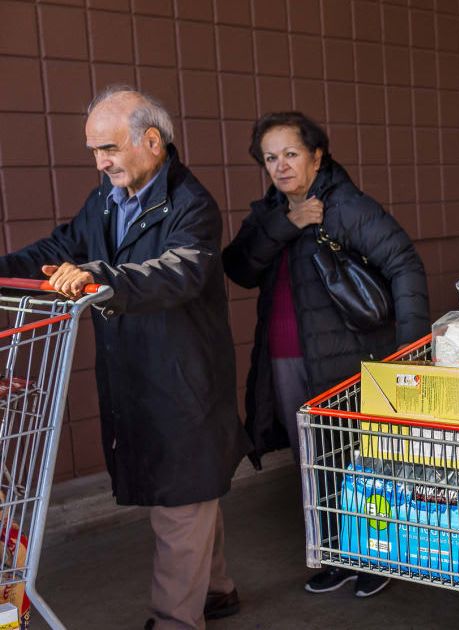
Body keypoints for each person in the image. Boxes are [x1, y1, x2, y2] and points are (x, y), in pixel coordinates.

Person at [0, 85, 247, 629]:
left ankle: (173, 621)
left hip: (183, 378)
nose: (99, 161)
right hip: (136, 372)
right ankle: (218, 589)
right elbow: (61, 246)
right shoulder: (103, 199)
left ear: (152, 141)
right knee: (192, 491)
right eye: (93, 150)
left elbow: (181, 270)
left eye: (107, 148)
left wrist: (101, 276)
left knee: (182, 498)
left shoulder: (191, 204)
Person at [222, 112, 429, 598]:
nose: (280, 166)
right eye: (270, 158)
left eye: (291, 154)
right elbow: (239, 267)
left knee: (362, 461)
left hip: (350, 356)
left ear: (317, 155)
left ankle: (376, 557)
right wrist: (286, 225)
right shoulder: (273, 212)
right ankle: (337, 554)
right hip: (286, 357)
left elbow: (404, 263)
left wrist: (412, 349)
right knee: (313, 461)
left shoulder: (346, 205)